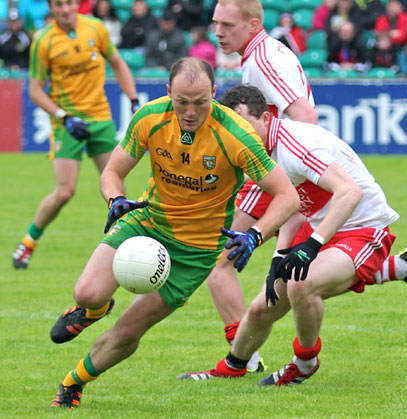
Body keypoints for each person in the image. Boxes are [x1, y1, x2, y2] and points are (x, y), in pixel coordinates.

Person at [49, 58, 301, 408]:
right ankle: (94, 308)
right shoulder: (151, 117)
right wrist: (115, 199)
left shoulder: (237, 135)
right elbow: (112, 172)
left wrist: (254, 234)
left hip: (194, 253)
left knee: (130, 330)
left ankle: (73, 383)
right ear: (168, 93)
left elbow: (287, 195)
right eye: (182, 102)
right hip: (147, 222)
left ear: (214, 93)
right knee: (86, 292)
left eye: (200, 102)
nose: (190, 112)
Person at [178, 83, 407, 385]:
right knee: (261, 307)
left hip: (362, 227)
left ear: (266, 119)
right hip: (323, 223)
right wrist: (280, 255)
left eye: (246, 125)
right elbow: (294, 205)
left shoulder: (293, 145)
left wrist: (312, 245)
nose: (240, 134)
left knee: (301, 285)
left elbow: (350, 191)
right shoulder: (259, 151)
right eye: (234, 127)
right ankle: (232, 367)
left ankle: (304, 363)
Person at [208, 0, 318, 371]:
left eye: (227, 25)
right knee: (273, 273)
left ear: (254, 24)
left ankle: (245, 358)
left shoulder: (263, 59)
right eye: (216, 24)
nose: (218, 32)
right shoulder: (260, 54)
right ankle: (400, 267)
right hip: (274, 173)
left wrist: (292, 184)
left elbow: (305, 116)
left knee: (222, 262)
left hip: (277, 175)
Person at [11, 0, 140, 270]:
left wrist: (132, 99)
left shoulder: (95, 28)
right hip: (68, 123)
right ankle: (28, 242)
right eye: (59, 4)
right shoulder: (43, 41)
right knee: (65, 192)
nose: (65, 9)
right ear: (51, 6)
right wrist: (64, 117)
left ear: (76, 0)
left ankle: (131, 252)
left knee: (116, 188)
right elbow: (34, 89)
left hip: (100, 118)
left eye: (70, 2)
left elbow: (118, 62)